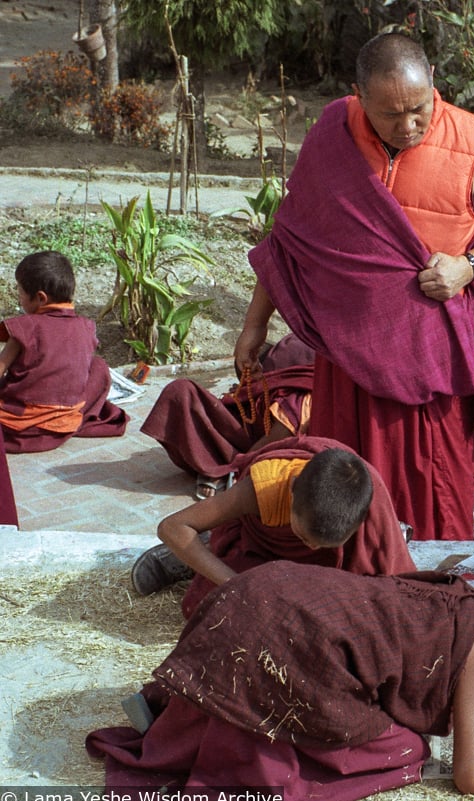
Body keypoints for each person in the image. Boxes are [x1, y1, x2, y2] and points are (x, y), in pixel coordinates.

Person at [234, 33, 474, 542]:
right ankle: (354, 568)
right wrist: (254, 325)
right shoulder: (332, 134)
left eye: (418, 109)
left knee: (435, 487)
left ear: (433, 83)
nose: (407, 126)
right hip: (346, 355)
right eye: (389, 114)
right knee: (345, 478)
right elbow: (290, 241)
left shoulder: (472, 145)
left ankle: (430, 581)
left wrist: (469, 266)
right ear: (357, 96)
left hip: (432, 359)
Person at [86, 565, 474, 801]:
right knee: (404, 747)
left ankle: (178, 711)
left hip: (252, 594)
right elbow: (472, 777)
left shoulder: (459, 601)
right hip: (272, 635)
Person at [130, 435, 415, 617]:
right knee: (213, 611)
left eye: (320, 544)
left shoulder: (367, 495)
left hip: (324, 566)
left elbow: (396, 576)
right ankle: (205, 544)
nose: (312, 548)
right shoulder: (263, 488)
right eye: (304, 537)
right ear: (291, 491)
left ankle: (396, 531)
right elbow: (172, 527)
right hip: (260, 547)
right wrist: (238, 585)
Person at [140, 334, 315, 498]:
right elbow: (244, 395)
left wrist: (237, 467)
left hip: (261, 450)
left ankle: (219, 468)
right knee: (180, 391)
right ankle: (212, 462)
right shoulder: (280, 358)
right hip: (240, 429)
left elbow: (277, 438)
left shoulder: (302, 393)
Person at [0, 250, 127, 453]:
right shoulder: (86, 327)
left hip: (16, 429)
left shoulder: (24, 327)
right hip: (61, 428)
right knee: (99, 368)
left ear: (40, 298)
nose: (19, 298)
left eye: (20, 292)